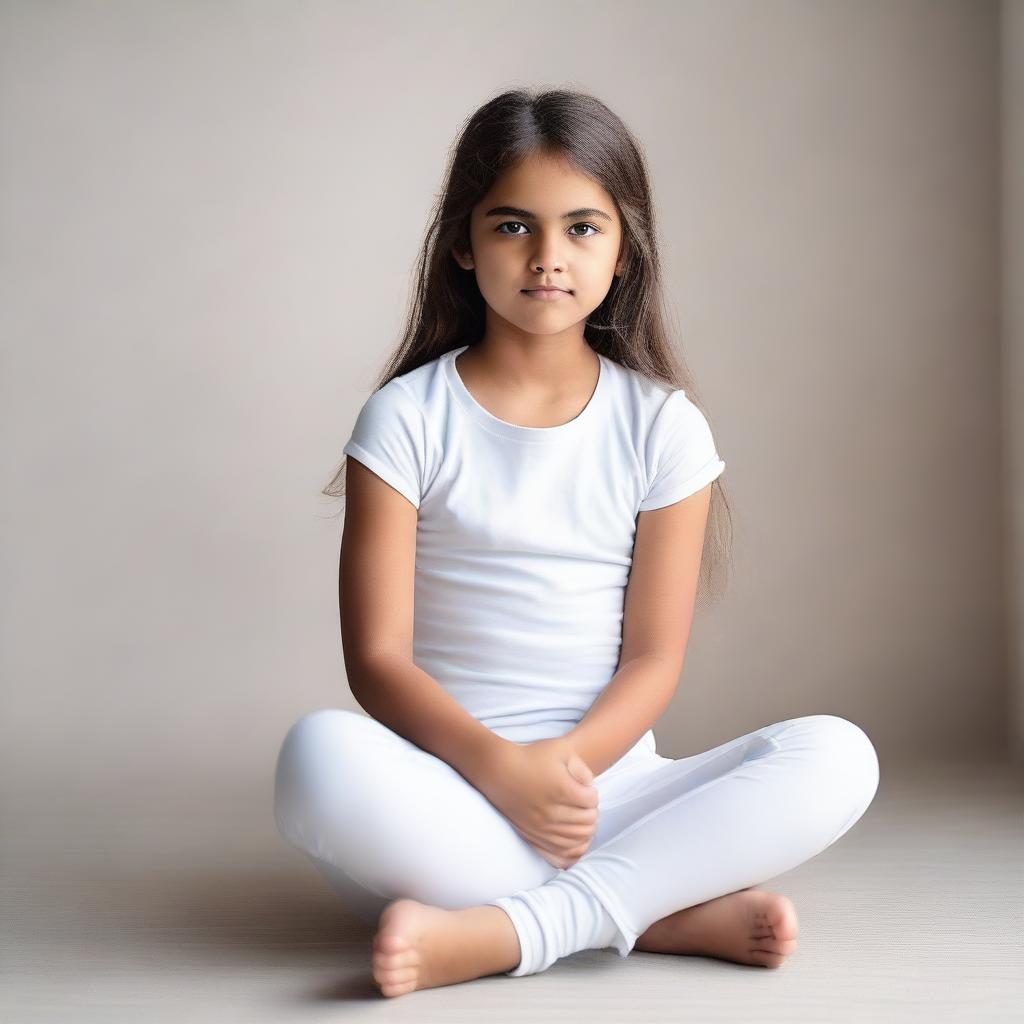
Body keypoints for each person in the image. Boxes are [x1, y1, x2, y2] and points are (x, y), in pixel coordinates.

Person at [273, 87, 880, 998]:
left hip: (608, 793)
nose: (548, 258)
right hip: (453, 798)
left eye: (583, 228)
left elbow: (654, 659)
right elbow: (377, 658)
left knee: (839, 754)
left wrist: (560, 776)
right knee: (315, 759)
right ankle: (657, 912)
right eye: (514, 226)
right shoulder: (406, 418)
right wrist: (505, 776)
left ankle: (514, 928)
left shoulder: (662, 426)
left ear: (625, 249)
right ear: (462, 242)